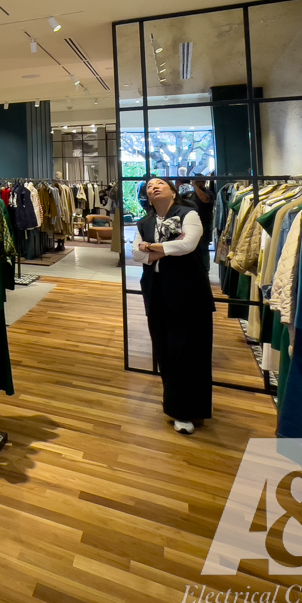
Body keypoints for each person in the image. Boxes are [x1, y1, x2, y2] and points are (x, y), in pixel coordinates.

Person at [134, 177, 215, 434]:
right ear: (147, 197)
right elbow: (136, 254)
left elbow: (188, 244)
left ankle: (187, 410)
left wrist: (152, 248)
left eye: (160, 184)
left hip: (188, 291)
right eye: (149, 186)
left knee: (189, 350)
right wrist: (163, 250)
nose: (153, 187)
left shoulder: (188, 213)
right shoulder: (145, 222)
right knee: (164, 350)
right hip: (156, 291)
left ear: (172, 191)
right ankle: (175, 404)